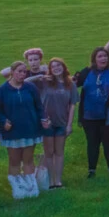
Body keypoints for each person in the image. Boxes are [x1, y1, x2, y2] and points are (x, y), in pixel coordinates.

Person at [0, 61, 47, 199]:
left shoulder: (30, 88)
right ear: (12, 72)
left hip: (30, 129)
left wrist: (43, 119)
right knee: (14, 160)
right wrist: (3, 121)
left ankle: (31, 185)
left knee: (28, 159)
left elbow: (39, 107)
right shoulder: (2, 91)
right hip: (12, 132)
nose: (22, 74)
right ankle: (18, 187)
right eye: (19, 71)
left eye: (24, 72)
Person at [74, 47, 109, 179]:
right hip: (89, 113)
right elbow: (74, 83)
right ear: (94, 59)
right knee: (92, 142)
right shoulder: (87, 72)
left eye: (105, 56)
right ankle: (91, 170)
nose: (103, 58)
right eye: (100, 56)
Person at [40, 58, 77, 187]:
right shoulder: (45, 82)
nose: (56, 68)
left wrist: (69, 124)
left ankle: (58, 180)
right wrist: (41, 76)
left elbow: (72, 105)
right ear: (50, 70)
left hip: (62, 122)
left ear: (63, 67)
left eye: (58, 65)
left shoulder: (70, 84)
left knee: (59, 152)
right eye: (53, 66)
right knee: (49, 152)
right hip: (47, 123)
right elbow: (27, 82)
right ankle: (50, 181)